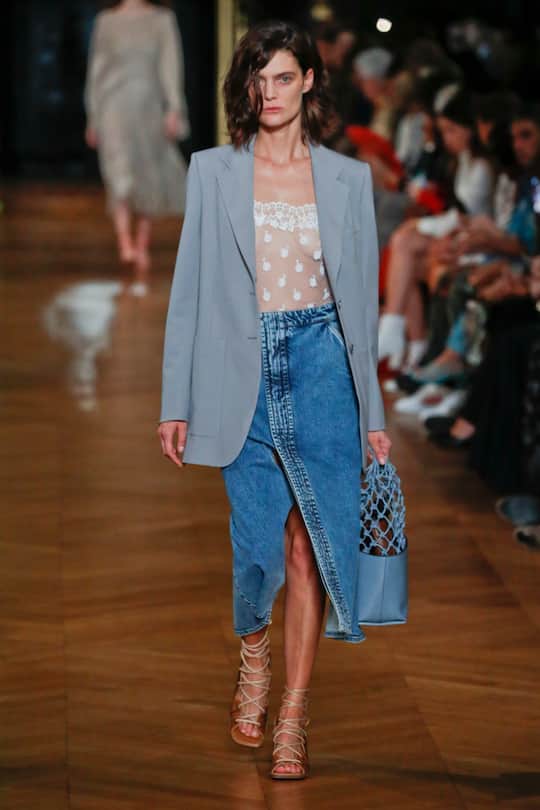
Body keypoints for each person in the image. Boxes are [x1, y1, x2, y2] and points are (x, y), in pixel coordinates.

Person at [157, 21, 392, 780]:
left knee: (308, 545)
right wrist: (174, 400)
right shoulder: (213, 171)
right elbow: (189, 292)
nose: (270, 93)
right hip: (243, 373)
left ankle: (292, 712)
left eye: (284, 77)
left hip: (323, 367)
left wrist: (374, 414)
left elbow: (363, 311)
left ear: (310, 81)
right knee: (257, 546)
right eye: (258, 80)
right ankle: (252, 652)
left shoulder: (349, 180)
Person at [84, 0, 190, 294]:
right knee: (118, 171)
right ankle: (125, 243)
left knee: (147, 174)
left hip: (148, 105)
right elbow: (96, 70)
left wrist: (173, 108)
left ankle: (141, 245)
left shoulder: (162, 19)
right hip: (112, 104)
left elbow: (171, 64)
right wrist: (92, 116)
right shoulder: (106, 21)